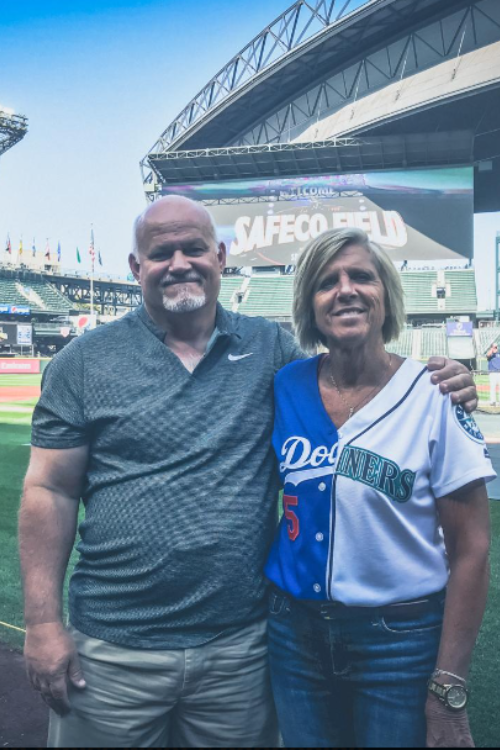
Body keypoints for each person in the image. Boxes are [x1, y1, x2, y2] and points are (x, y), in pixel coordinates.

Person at [19, 198, 478, 748]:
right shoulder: (83, 361)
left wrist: (447, 376)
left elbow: (357, 366)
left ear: (220, 256)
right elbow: (49, 488)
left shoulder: (271, 351)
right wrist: (44, 622)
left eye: (194, 248)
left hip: (241, 648)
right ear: (136, 268)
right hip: (115, 647)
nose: (180, 263)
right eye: (161, 252)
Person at [264, 227, 494, 749]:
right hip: (292, 633)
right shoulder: (285, 385)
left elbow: (472, 549)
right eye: (326, 282)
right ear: (309, 305)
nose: (345, 290)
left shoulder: (435, 394)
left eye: (361, 277)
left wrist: (450, 685)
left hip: (399, 640)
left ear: (385, 295)